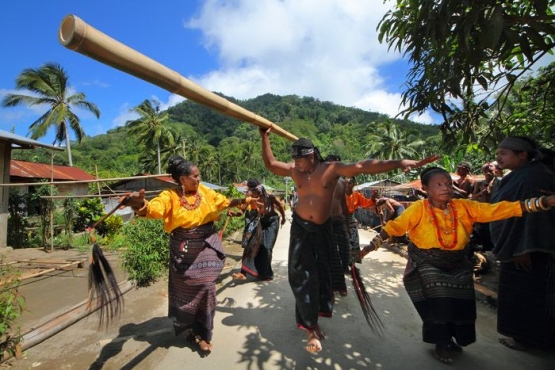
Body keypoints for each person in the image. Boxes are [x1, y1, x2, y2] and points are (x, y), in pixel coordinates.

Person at [259, 126, 438, 353]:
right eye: (293, 159)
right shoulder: (295, 172)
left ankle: (317, 316)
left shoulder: (331, 169)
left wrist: (400, 162)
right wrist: (264, 137)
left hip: (323, 228)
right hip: (301, 228)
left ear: (310, 155)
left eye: (299, 159)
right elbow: (271, 164)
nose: (295, 163)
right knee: (300, 275)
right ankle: (310, 326)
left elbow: (363, 166)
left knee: (323, 273)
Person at [360, 166, 555, 364]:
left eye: (447, 183)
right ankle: (441, 342)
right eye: (438, 184)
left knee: (461, 305)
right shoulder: (418, 209)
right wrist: (370, 246)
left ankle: (455, 338)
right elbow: (395, 227)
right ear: (426, 189)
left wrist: (542, 202)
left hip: (459, 262)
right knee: (440, 303)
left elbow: (498, 210)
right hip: (427, 262)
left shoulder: (465, 206)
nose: (445, 187)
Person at [121, 155, 258, 353]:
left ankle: (204, 332)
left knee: (207, 285)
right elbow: (154, 209)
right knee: (186, 291)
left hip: (206, 243)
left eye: (199, 175)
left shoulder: (205, 191)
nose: (199, 179)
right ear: (182, 179)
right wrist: (139, 205)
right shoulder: (169, 196)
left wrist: (244, 200)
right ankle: (191, 331)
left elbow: (224, 202)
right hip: (183, 250)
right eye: (195, 176)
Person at [489, 136, 555, 351]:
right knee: (516, 295)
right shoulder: (519, 175)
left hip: (525, 250)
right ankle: (521, 337)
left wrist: (524, 248)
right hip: (515, 246)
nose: (498, 157)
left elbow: (535, 217)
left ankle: (530, 341)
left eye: (504, 153)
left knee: (529, 297)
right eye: (498, 153)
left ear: (522, 155)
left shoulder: (533, 178)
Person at [230, 178, 286, 281]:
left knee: (267, 248)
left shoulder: (270, 196)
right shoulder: (250, 197)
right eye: (249, 191)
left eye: (251, 191)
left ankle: (266, 274)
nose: (249, 193)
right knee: (251, 245)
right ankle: (243, 273)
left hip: (272, 222)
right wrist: (234, 214)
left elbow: (280, 206)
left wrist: (283, 218)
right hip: (261, 222)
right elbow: (241, 211)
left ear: (258, 190)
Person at [324, 154, 349, 295]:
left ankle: (337, 283)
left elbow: (344, 205)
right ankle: (337, 286)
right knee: (332, 255)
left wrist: (348, 225)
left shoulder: (342, 182)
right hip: (326, 222)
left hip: (339, 221)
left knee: (345, 254)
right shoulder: (319, 180)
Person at [345, 177, 377, 263]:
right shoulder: (339, 195)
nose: (347, 185)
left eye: (350, 183)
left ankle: (353, 267)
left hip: (351, 223)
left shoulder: (356, 195)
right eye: (346, 183)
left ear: (354, 184)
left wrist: (373, 199)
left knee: (354, 247)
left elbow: (366, 203)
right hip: (341, 223)